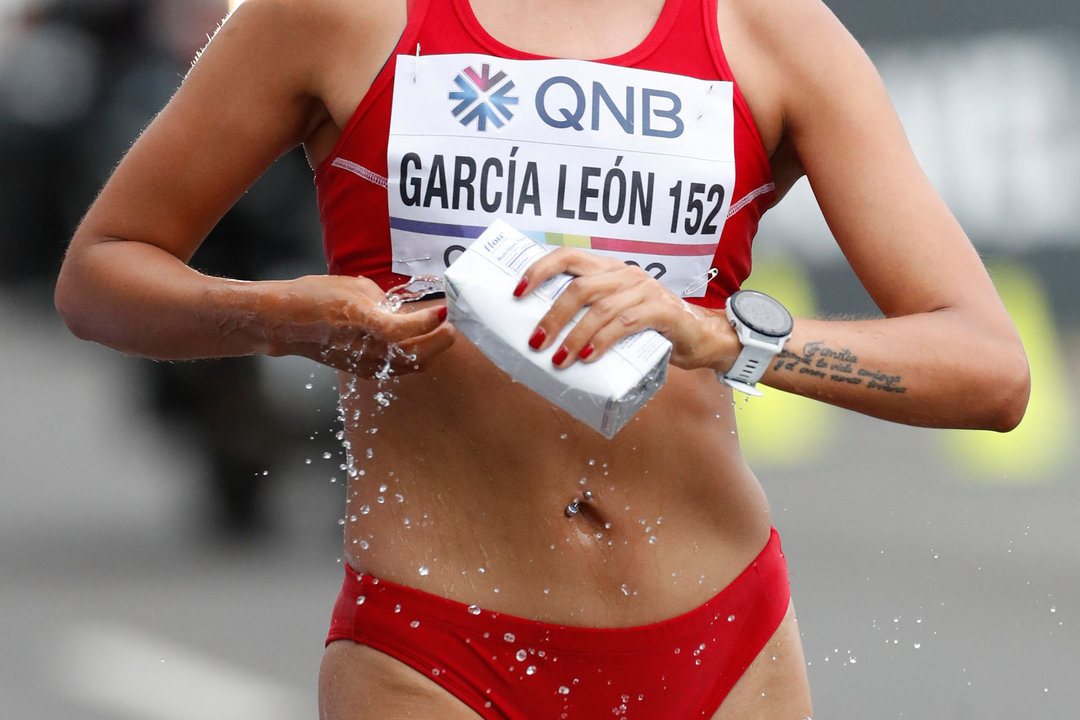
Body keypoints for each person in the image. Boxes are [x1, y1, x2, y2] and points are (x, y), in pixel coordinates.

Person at [54, 0, 1030, 717]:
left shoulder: (769, 28)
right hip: (436, 655)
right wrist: (286, 317)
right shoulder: (332, 14)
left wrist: (721, 336)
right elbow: (100, 275)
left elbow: (989, 370)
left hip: (723, 646)